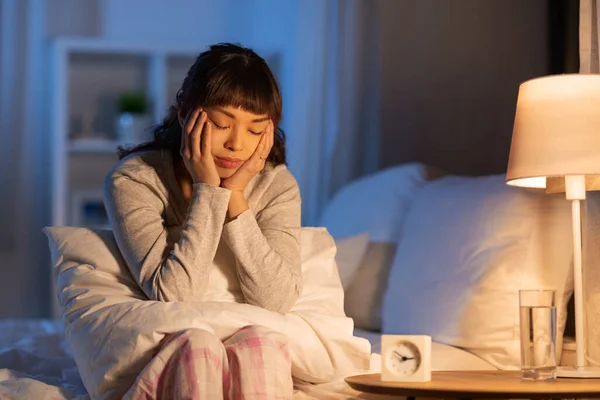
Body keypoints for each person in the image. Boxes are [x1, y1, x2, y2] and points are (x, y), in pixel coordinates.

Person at [103, 43, 300, 398]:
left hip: (249, 334)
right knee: (197, 344)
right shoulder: (134, 179)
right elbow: (175, 295)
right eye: (222, 124)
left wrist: (236, 197)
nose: (237, 144)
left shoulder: (277, 185)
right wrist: (208, 189)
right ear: (185, 116)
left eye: (255, 131)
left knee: (263, 343)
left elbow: (277, 300)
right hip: (171, 342)